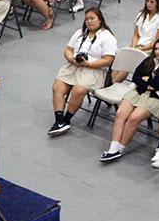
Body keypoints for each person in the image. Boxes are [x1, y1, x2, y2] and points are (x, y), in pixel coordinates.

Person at [100, 38, 159, 162]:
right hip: (139, 92)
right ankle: (113, 148)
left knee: (133, 118)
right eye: (156, 49)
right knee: (120, 114)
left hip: (157, 98)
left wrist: (147, 80)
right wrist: (149, 84)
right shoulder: (149, 60)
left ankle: (120, 149)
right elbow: (136, 77)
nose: (158, 52)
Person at [49, 8, 117, 136]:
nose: (89, 21)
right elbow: (68, 50)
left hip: (94, 69)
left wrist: (89, 63)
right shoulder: (80, 33)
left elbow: (108, 60)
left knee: (78, 91)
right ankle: (59, 121)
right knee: (57, 87)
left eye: (92, 18)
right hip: (74, 65)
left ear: (100, 20)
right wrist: (72, 59)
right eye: (86, 19)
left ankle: (66, 119)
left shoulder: (107, 37)